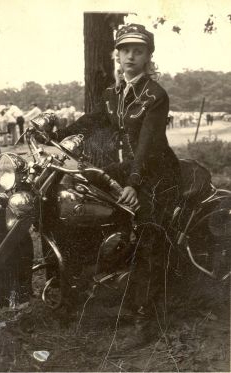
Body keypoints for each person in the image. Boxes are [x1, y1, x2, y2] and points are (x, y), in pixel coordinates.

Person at [35, 23, 182, 329]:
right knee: (74, 206)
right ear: (117, 55)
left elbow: (148, 144)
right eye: (125, 49)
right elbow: (93, 120)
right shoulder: (112, 92)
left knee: (147, 231)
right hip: (125, 169)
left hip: (155, 172)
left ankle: (146, 317)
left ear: (148, 56)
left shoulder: (155, 95)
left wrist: (133, 182)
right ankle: (75, 288)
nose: (130, 56)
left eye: (138, 51)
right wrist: (57, 134)